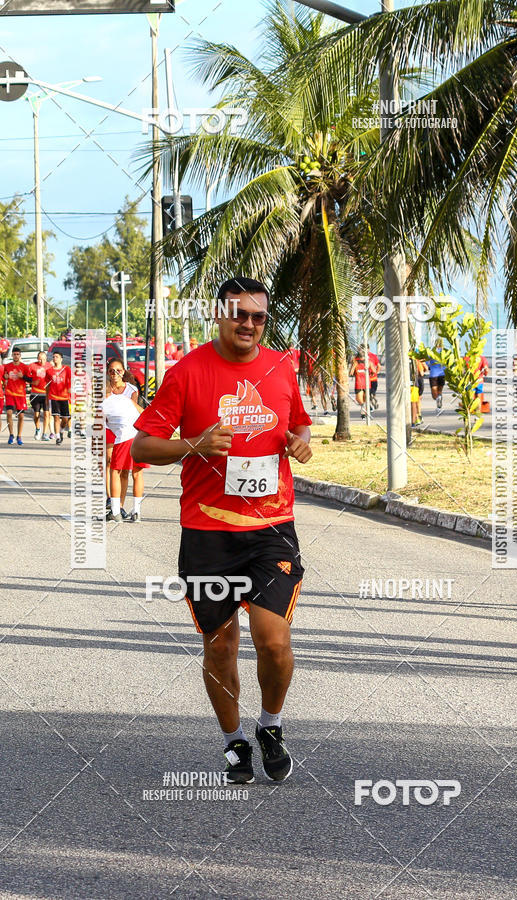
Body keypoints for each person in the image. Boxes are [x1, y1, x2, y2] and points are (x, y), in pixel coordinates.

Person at [131, 276, 312, 785]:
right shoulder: (187, 372)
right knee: (220, 646)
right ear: (219, 314)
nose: (250, 324)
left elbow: (298, 422)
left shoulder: (282, 366)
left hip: (272, 527)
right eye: (240, 315)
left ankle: (270, 725)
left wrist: (298, 443)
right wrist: (195, 444)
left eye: (259, 317)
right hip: (208, 534)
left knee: (273, 640)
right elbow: (142, 448)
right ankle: (234, 741)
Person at [103, 359, 147, 523]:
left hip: (123, 438)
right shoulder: (126, 400)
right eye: (111, 371)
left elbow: (97, 424)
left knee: (115, 471)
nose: (115, 374)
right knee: (137, 472)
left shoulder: (105, 404)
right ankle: (136, 511)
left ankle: (115, 510)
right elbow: (143, 413)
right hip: (138, 436)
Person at [3, 346, 28, 445]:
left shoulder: (24, 367)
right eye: (14, 354)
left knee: (21, 416)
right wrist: (5, 378)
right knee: (9, 413)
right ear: (12, 355)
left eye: (18, 354)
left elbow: (29, 380)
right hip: (10, 393)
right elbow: (3, 378)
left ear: (20, 356)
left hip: (21, 395)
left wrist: (23, 377)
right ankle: (11, 434)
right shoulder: (7, 366)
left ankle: (19, 436)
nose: (16, 356)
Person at [46, 351, 71, 445]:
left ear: (61, 359)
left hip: (64, 397)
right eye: (53, 357)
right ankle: (57, 437)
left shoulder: (66, 369)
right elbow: (47, 385)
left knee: (65, 419)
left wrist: (70, 388)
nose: (55, 358)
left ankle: (61, 430)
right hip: (53, 397)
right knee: (56, 417)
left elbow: (71, 380)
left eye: (57, 357)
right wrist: (47, 398)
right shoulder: (49, 371)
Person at [28, 350, 51, 441]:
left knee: (46, 414)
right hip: (35, 393)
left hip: (46, 394)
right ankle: (38, 429)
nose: (42, 361)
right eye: (40, 359)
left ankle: (45, 434)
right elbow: (25, 377)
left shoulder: (50, 366)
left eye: (44, 359)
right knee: (36, 415)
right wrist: (32, 382)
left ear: (46, 359)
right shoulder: (32, 366)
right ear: (37, 358)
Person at [349, 347, 375, 418]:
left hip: (363, 384)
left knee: (362, 400)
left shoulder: (363, 362)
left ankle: (364, 413)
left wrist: (368, 371)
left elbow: (351, 373)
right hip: (363, 384)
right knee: (362, 400)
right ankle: (364, 411)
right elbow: (374, 371)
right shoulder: (361, 362)